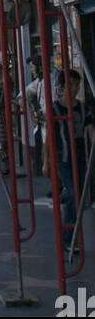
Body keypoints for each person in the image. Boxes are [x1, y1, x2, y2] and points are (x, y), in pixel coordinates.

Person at [53, 70, 95, 251]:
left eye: (77, 84)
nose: (74, 88)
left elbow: (90, 129)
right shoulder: (55, 108)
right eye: (70, 84)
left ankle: (71, 235)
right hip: (63, 156)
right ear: (62, 86)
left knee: (79, 194)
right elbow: (49, 138)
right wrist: (46, 161)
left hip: (80, 155)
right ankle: (68, 239)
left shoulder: (83, 108)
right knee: (74, 194)